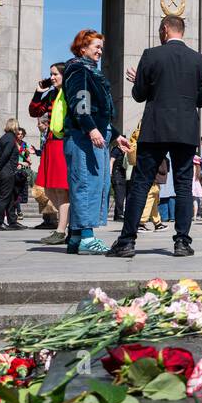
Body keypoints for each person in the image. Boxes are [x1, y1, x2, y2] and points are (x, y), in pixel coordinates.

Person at [106, 14, 202, 259]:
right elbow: (201, 100)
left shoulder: (151, 55)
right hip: (185, 130)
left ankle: (127, 241)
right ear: (181, 31)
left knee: (141, 183)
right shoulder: (199, 60)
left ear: (164, 29)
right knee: (184, 186)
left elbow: (139, 95)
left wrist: (138, 80)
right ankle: (182, 242)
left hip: (155, 128)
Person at [62, 31, 131, 254]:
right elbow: (79, 101)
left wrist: (116, 133)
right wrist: (90, 128)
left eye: (101, 47)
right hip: (83, 137)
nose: (100, 51)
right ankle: (87, 238)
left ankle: (75, 237)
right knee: (85, 185)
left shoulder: (89, 70)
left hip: (93, 134)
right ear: (83, 48)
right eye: (96, 47)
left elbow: (100, 111)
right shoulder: (78, 69)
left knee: (90, 184)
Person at [28, 63, 70, 244]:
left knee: (62, 190)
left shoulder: (70, 92)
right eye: (50, 74)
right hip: (51, 144)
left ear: (64, 75)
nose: (52, 78)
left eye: (55, 74)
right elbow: (34, 111)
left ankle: (61, 230)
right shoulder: (52, 94)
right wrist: (39, 92)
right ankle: (66, 224)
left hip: (63, 142)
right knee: (49, 188)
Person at [0, 117, 23, 230]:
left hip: (3, 171)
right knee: (5, 196)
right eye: (17, 127)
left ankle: (12, 221)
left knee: (11, 197)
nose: (18, 129)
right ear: (14, 127)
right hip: (7, 171)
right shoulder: (10, 139)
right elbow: (6, 155)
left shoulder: (2, 138)